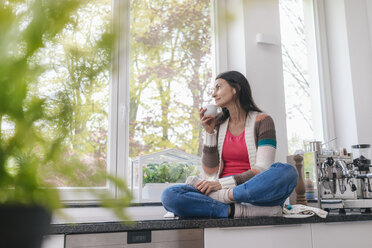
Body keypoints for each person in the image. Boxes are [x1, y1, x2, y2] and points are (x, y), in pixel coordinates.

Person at [161, 71, 298, 218]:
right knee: (170, 195)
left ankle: (224, 200)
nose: (213, 94)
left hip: (253, 191)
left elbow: (263, 168)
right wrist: (210, 133)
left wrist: (222, 188)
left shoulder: (263, 121)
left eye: (218, 87)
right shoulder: (218, 124)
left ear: (236, 88)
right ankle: (236, 211)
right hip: (220, 188)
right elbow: (210, 171)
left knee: (288, 171)